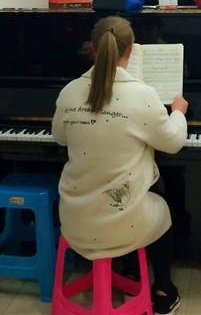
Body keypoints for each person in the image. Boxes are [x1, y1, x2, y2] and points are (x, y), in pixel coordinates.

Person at [52, 16, 187, 315]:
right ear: (132, 50)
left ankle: (131, 273)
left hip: (74, 221)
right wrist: (178, 112)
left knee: (128, 198)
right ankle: (163, 288)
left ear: (92, 47)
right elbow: (173, 142)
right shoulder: (142, 94)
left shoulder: (70, 91)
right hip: (121, 223)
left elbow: (59, 137)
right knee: (163, 206)